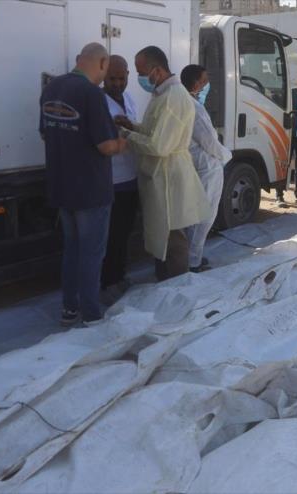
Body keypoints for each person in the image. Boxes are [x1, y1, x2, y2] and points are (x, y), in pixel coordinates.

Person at [39, 42, 126, 326]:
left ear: (80, 60)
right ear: (102, 64)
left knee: (72, 250)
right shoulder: (92, 94)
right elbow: (106, 146)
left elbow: (45, 133)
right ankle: (91, 315)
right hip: (91, 191)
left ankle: (69, 309)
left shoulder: (51, 88)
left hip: (61, 186)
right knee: (91, 254)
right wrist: (123, 141)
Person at [115, 46, 209, 281]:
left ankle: (176, 288)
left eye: (141, 72)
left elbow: (159, 145)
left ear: (156, 71)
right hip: (162, 175)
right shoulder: (162, 94)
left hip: (169, 177)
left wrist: (125, 135)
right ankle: (166, 283)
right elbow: (154, 131)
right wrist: (132, 126)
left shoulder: (173, 98)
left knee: (173, 240)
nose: (139, 78)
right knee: (163, 237)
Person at [180, 64, 231, 273]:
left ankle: (190, 257)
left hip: (196, 164)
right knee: (204, 216)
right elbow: (209, 142)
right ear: (197, 83)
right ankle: (192, 261)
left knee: (195, 214)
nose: (207, 84)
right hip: (207, 166)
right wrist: (226, 156)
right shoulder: (195, 107)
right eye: (205, 80)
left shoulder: (184, 102)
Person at [100, 55, 140, 303]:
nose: (117, 83)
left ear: (127, 75)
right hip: (111, 180)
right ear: (104, 77)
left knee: (125, 231)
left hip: (131, 177)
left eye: (121, 78)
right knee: (111, 235)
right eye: (112, 79)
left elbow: (136, 127)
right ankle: (108, 281)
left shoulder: (129, 98)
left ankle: (120, 275)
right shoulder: (98, 102)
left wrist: (130, 126)